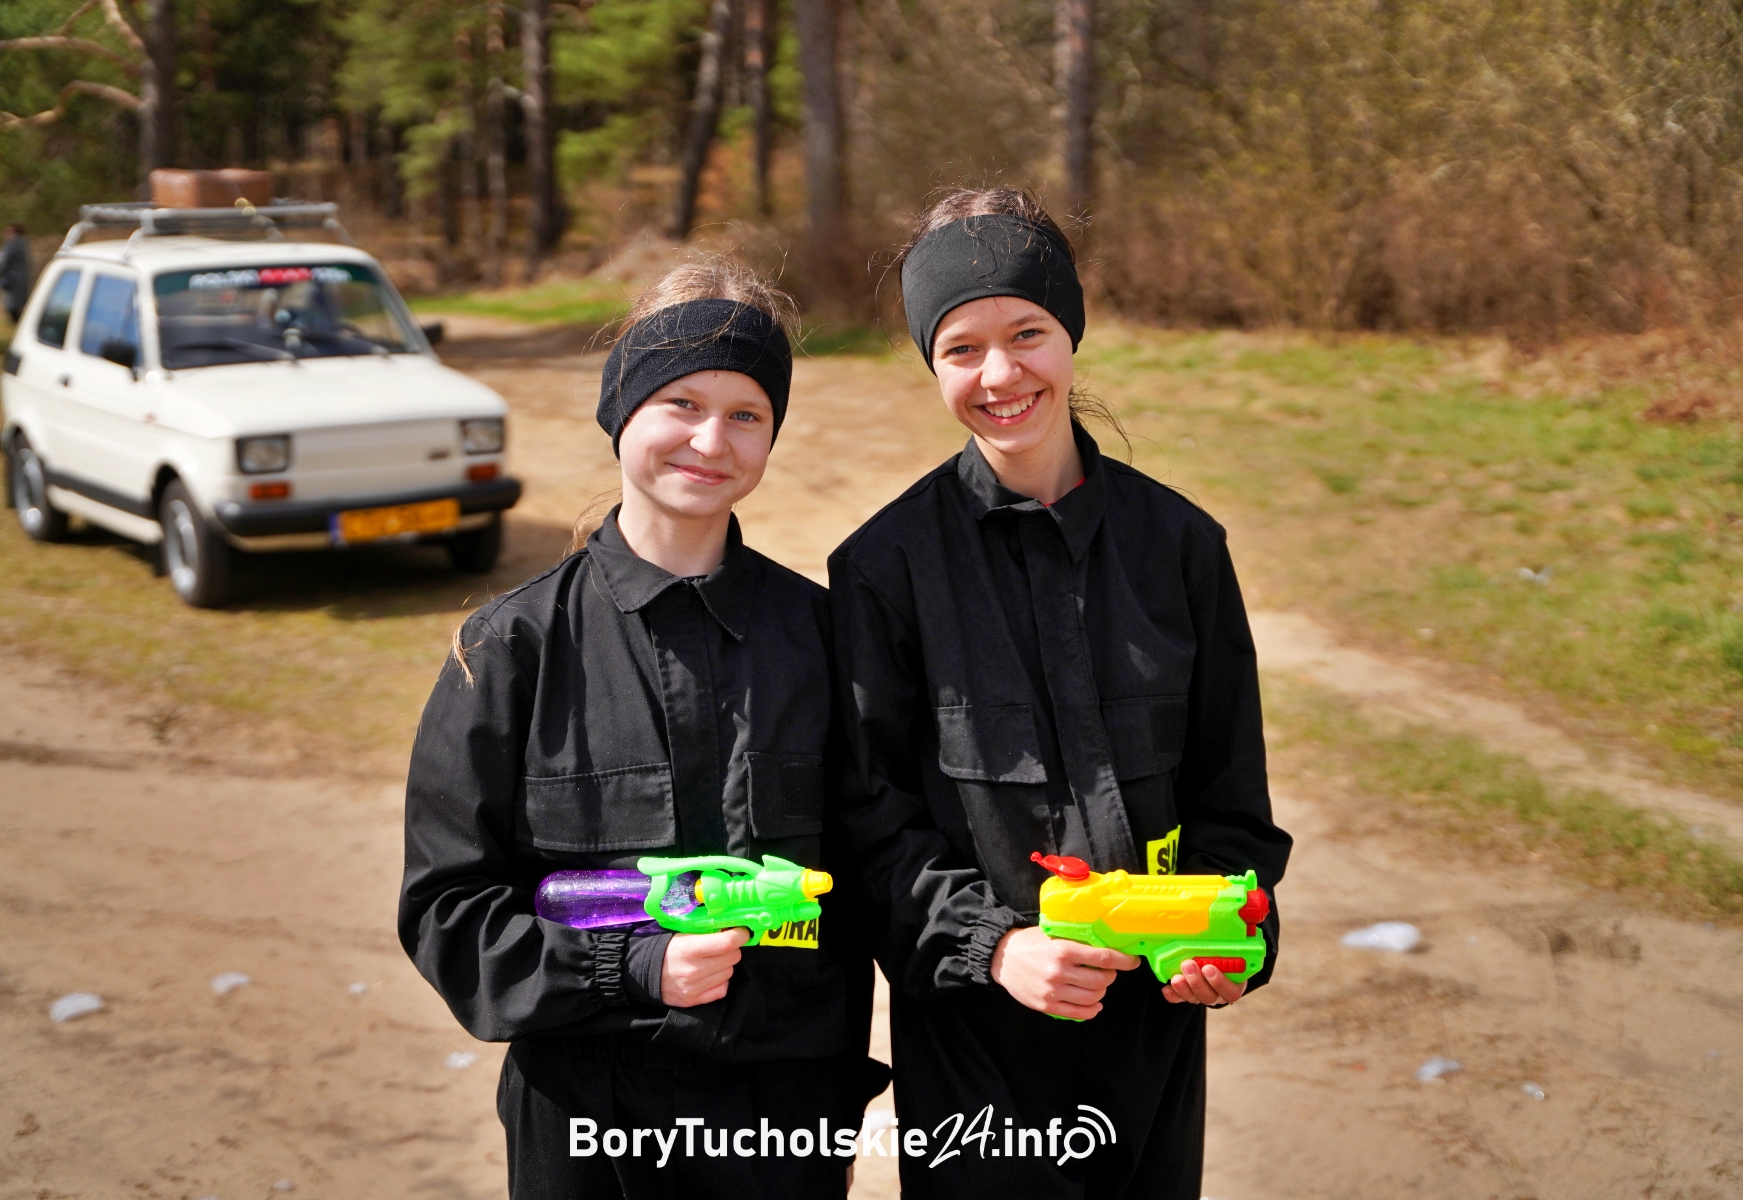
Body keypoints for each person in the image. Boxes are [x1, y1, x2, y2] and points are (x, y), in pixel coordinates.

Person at [828, 189, 1294, 1199]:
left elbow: (1233, 803)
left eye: (1027, 333)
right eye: (961, 348)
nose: (1001, 375)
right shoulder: (882, 569)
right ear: (931, 363)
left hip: (1150, 1048)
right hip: (973, 1050)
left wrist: (1228, 941)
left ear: (1070, 333)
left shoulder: (1182, 549)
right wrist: (994, 948)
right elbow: (871, 830)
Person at [400, 259, 882, 1199]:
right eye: (681, 403)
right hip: (588, 1121)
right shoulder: (509, 649)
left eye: (746, 413)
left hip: (783, 1124)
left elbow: (886, 870)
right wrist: (634, 963)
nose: (711, 439)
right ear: (622, 410)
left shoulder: (828, 639)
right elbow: (448, 914)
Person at [0, 223, 31, 325]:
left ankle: (18, 324)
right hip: (17, 278)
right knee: (16, 304)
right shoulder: (21, 243)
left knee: (13, 305)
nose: (6, 234)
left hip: (13, 279)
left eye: (9, 231)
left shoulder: (14, 243)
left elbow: (2, 259)